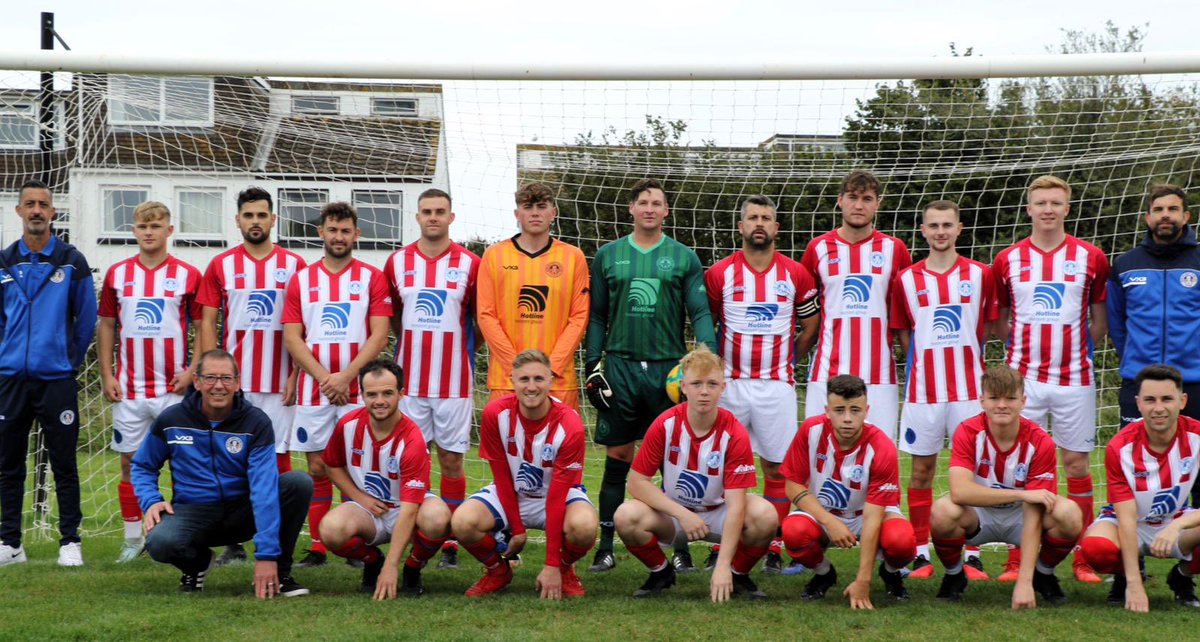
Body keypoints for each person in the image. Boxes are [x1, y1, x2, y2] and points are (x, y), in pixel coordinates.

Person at [586, 178, 718, 574]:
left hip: (669, 372)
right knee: (618, 457)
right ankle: (606, 545)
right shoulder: (608, 256)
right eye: (642, 202)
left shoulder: (683, 257)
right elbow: (597, 316)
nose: (649, 208)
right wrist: (594, 366)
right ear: (630, 208)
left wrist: (706, 355)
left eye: (656, 203)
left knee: (673, 464)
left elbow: (699, 312)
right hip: (621, 368)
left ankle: (680, 546)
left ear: (666, 211)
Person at [993, 175, 1109, 583]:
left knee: (1076, 464)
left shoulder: (1091, 256)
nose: (1047, 209)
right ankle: (1014, 557)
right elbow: (1003, 320)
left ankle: (1082, 555)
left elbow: (1098, 321)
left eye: (1055, 203)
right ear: (1028, 208)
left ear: (1067, 208)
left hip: (1073, 378)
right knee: (1019, 471)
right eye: (1040, 202)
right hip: (1022, 383)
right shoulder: (1007, 259)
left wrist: (1073, 351)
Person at [132, 349, 312, 596]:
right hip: (193, 511)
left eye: (226, 378)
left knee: (298, 483)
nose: (219, 386)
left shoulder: (256, 422)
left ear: (237, 383)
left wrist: (266, 555)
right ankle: (197, 564)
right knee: (160, 541)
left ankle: (279, 574)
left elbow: (263, 488)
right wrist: (151, 500)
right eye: (210, 378)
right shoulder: (171, 419)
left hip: (242, 510)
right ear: (196, 381)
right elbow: (142, 465)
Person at [703, 194, 819, 572]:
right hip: (731, 385)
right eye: (752, 217)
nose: (759, 224)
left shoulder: (796, 274)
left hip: (776, 386)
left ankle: (772, 545)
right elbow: (709, 324)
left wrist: (789, 359)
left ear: (776, 228)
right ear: (740, 226)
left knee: (776, 468)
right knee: (719, 466)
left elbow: (810, 325)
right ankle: (717, 543)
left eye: (766, 218)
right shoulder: (719, 273)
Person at [197, 187, 306, 566]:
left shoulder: (294, 265)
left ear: (273, 219)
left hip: (279, 383)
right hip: (233, 385)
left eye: (262, 215)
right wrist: (214, 377)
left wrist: (296, 372)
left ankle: (273, 537)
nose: (255, 221)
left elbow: (302, 325)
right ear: (238, 220)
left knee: (278, 459)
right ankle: (232, 540)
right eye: (248, 215)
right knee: (228, 461)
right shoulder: (221, 265)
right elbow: (208, 322)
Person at [615, 345, 775, 602]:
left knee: (765, 515)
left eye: (712, 384)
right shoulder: (665, 424)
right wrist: (682, 514)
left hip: (720, 512)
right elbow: (636, 483)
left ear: (722, 389)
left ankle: (737, 574)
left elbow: (736, 506)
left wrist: (722, 565)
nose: (704, 391)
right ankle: (661, 572)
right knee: (625, 515)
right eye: (696, 383)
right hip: (675, 516)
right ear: (683, 387)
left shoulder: (734, 432)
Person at [890, 200, 998, 579]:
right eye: (933, 225)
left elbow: (986, 326)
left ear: (959, 229)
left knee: (975, 473)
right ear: (923, 230)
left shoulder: (981, 274)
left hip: (970, 392)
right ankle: (921, 553)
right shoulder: (905, 279)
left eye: (947, 225)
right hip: (924, 392)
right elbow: (904, 331)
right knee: (921, 471)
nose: (940, 232)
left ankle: (972, 552)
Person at [283, 201, 392, 567]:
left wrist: (347, 377)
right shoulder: (302, 279)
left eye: (346, 230)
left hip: (358, 389)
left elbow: (379, 335)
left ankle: (355, 538)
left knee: (358, 464)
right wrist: (324, 378)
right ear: (321, 233)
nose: (339, 236)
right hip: (316, 388)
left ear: (356, 234)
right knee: (317, 467)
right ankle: (317, 546)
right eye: (332, 229)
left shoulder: (373, 277)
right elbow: (293, 337)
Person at [97, 201, 202, 564]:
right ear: (134, 230)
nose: (149, 232)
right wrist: (108, 374)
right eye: (142, 226)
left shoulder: (188, 274)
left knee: (183, 463)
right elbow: (107, 324)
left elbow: (203, 326)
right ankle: (132, 538)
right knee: (129, 462)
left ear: (169, 231)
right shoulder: (117, 274)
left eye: (156, 226)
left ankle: (182, 533)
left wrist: (193, 372)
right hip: (129, 389)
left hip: (173, 390)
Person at [0, 179, 97, 567]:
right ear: (20, 211)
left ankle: (69, 541)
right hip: (10, 380)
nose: (37, 210)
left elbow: (86, 318)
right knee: (7, 464)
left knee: (64, 462)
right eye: (30, 204)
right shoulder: (4, 262)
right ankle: (10, 542)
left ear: (53, 212)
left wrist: (66, 361)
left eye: (43, 204)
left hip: (56, 379)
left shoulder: (73, 261)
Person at [929, 365, 1082, 608]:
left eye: (1010, 398)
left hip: (1022, 517)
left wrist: (1024, 580)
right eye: (994, 397)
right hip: (978, 515)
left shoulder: (1040, 440)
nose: (1002, 404)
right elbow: (960, 491)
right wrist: (1022, 494)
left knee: (1069, 513)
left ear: (1023, 401)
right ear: (982, 400)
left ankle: (1042, 574)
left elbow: (1035, 508)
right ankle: (954, 575)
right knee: (942, 511)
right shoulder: (967, 432)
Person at [383, 188, 480, 570]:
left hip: (454, 380)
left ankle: (451, 542)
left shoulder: (471, 263)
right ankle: (417, 534)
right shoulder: (398, 262)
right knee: (413, 463)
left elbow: (478, 319)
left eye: (441, 211)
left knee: (452, 461)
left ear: (451, 217)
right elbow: (393, 317)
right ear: (418, 216)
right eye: (427, 211)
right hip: (410, 384)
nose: (434, 217)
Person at [451, 349, 597, 599]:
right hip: (513, 492)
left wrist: (551, 564)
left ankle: (563, 569)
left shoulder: (570, 424)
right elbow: (502, 476)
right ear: (512, 381)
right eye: (524, 379)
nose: (531, 386)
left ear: (551, 381)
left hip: (557, 495)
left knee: (584, 526)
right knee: (462, 521)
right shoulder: (495, 414)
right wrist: (517, 531)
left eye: (539, 379)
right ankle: (497, 571)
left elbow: (557, 495)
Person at [780, 374, 916, 608]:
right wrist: (829, 522)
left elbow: (873, 518)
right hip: (824, 513)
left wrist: (863, 581)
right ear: (827, 410)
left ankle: (889, 572)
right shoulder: (810, 430)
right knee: (793, 531)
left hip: (868, 513)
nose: (847, 419)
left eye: (855, 410)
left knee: (902, 541)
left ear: (867, 410)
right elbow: (792, 486)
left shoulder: (882, 447)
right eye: (839, 410)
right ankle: (825, 574)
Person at [319, 359, 451, 598]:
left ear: (401, 394)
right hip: (369, 509)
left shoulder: (412, 439)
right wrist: (359, 497)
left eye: (387, 393)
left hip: (407, 507)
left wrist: (394, 567)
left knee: (437, 518)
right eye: (372, 394)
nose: (379, 401)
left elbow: (410, 509)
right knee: (330, 530)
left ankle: (412, 567)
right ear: (362, 395)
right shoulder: (347, 425)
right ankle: (372, 561)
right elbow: (331, 465)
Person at [1079, 364, 1200, 612]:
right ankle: (1125, 576)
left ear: (1182, 400)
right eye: (1150, 399)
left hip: (1173, 520)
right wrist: (1134, 585)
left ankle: (1181, 576)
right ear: (1138, 403)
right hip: (1127, 521)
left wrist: (1176, 526)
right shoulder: (1119, 447)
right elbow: (1125, 517)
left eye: (1167, 399)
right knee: (1096, 549)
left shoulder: (1197, 437)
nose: (1158, 408)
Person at [1107, 185, 1200, 507]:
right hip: (1139, 381)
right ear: (1148, 216)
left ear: (1186, 216)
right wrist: (1134, 358)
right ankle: (1135, 551)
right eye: (1159, 209)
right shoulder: (1125, 265)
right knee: (1133, 466)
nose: (1165, 216)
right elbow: (1116, 324)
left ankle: (1193, 553)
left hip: (1194, 381)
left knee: (1198, 469)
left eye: (1172, 209)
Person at [800, 170, 911, 439]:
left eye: (867, 198)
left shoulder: (895, 249)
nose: (859, 205)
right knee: (819, 454)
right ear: (840, 200)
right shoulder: (817, 248)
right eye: (852, 197)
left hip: (879, 373)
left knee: (880, 456)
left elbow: (906, 314)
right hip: (827, 369)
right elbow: (804, 311)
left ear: (878, 203)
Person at [476, 183, 588, 409]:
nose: (535, 212)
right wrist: (516, 367)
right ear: (517, 214)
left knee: (561, 443)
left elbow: (579, 317)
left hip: (557, 379)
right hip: (507, 379)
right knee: (504, 444)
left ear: (553, 213)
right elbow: (486, 315)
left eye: (542, 206)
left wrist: (551, 366)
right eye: (528, 207)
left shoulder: (573, 257)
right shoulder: (494, 255)